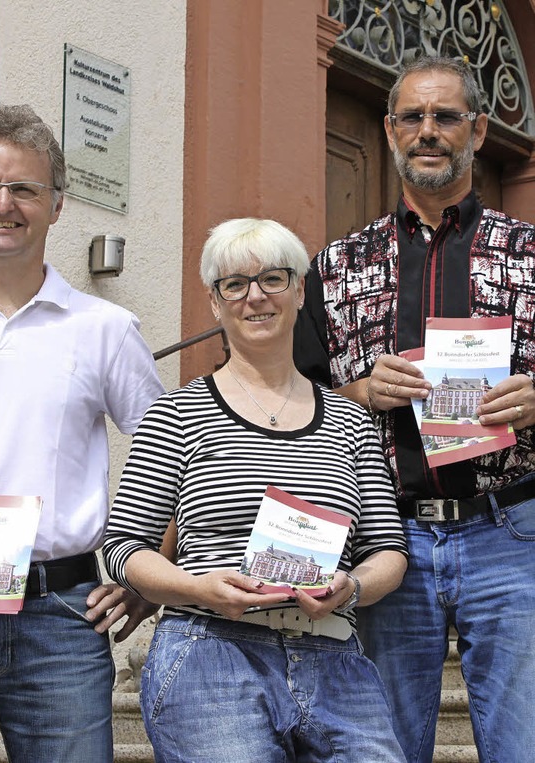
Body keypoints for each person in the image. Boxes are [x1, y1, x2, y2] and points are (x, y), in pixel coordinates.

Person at [0, 104, 164, 763]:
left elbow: (177, 458)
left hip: (62, 616)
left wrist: (148, 575)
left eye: (24, 189)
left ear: (58, 204)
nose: (3, 204)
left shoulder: (104, 328)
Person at [294, 56, 535, 763]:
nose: (428, 131)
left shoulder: (528, 256)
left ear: (479, 129)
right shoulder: (337, 267)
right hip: (387, 541)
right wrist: (361, 394)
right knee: (383, 746)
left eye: (446, 116)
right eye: (413, 117)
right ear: (390, 129)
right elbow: (296, 406)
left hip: (510, 530)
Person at [103, 217, 408, 763]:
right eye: (234, 284)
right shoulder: (176, 412)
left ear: (298, 292)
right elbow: (124, 547)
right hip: (210, 651)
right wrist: (198, 586)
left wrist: (352, 587)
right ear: (215, 304)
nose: (255, 297)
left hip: (334, 655)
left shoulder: (351, 420)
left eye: (272, 278)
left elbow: (386, 551)